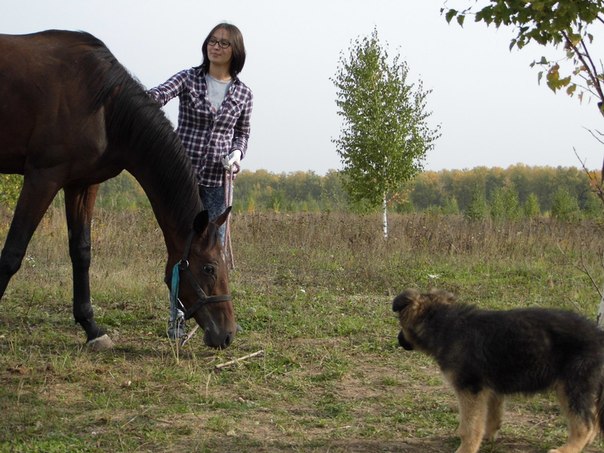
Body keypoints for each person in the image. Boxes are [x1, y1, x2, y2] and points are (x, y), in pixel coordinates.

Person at [147, 23, 253, 339]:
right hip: (183, 179)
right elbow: (158, 94)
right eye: (212, 41)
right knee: (182, 251)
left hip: (218, 182)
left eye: (223, 43)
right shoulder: (188, 78)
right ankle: (177, 316)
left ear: (235, 51)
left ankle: (218, 311)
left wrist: (237, 153)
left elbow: (243, 133)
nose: (215, 47)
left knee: (212, 254)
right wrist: (135, 102)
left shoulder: (244, 93)